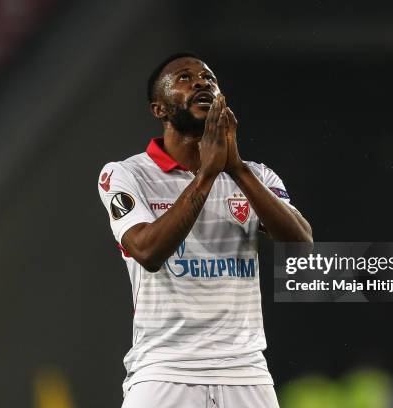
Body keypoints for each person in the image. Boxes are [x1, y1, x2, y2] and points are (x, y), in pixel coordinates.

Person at [97, 52, 313, 408]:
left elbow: (301, 245)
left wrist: (236, 169)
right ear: (159, 110)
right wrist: (207, 175)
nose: (201, 82)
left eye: (209, 78)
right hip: (165, 370)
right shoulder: (126, 174)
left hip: (246, 372)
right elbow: (148, 252)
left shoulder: (256, 176)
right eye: (184, 78)